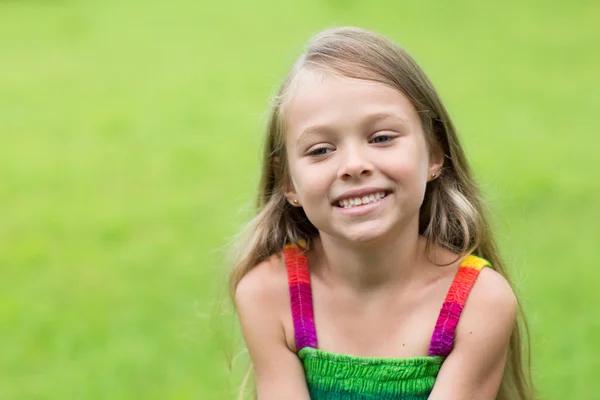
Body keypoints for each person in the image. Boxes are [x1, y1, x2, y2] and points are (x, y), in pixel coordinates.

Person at [229, 27, 534, 400]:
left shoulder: (478, 301)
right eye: (321, 150)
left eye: (382, 138)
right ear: (288, 182)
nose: (354, 165)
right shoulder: (268, 294)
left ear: (435, 154)